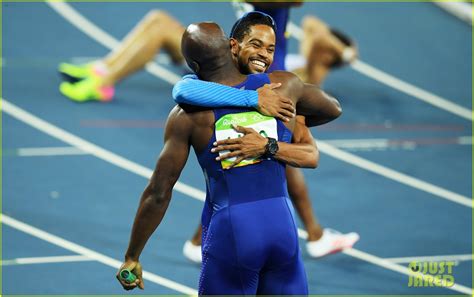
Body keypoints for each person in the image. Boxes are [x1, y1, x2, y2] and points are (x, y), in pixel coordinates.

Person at [116, 22, 341, 294]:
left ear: (193, 67)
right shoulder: (282, 86)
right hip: (282, 225)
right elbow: (332, 108)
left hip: (233, 231)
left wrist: (132, 255)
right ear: (232, 47)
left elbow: (158, 193)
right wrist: (295, 120)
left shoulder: (187, 115)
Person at [176, 11, 359, 263]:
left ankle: (314, 235)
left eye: (269, 47)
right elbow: (183, 88)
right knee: (237, 179)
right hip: (261, 93)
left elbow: (331, 110)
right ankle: (314, 235)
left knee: (260, 171)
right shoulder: (220, 79)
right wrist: (253, 99)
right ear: (233, 46)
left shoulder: (279, 84)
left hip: (274, 93)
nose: (264, 52)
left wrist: (295, 120)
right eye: (256, 44)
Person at [57, 4, 357, 101]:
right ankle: (103, 68)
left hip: (234, 68)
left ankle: (103, 82)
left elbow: (317, 33)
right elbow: (313, 24)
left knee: (161, 26)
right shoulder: (299, 50)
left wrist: (346, 52)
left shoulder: (314, 68)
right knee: (158, 20)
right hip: (232, 53)